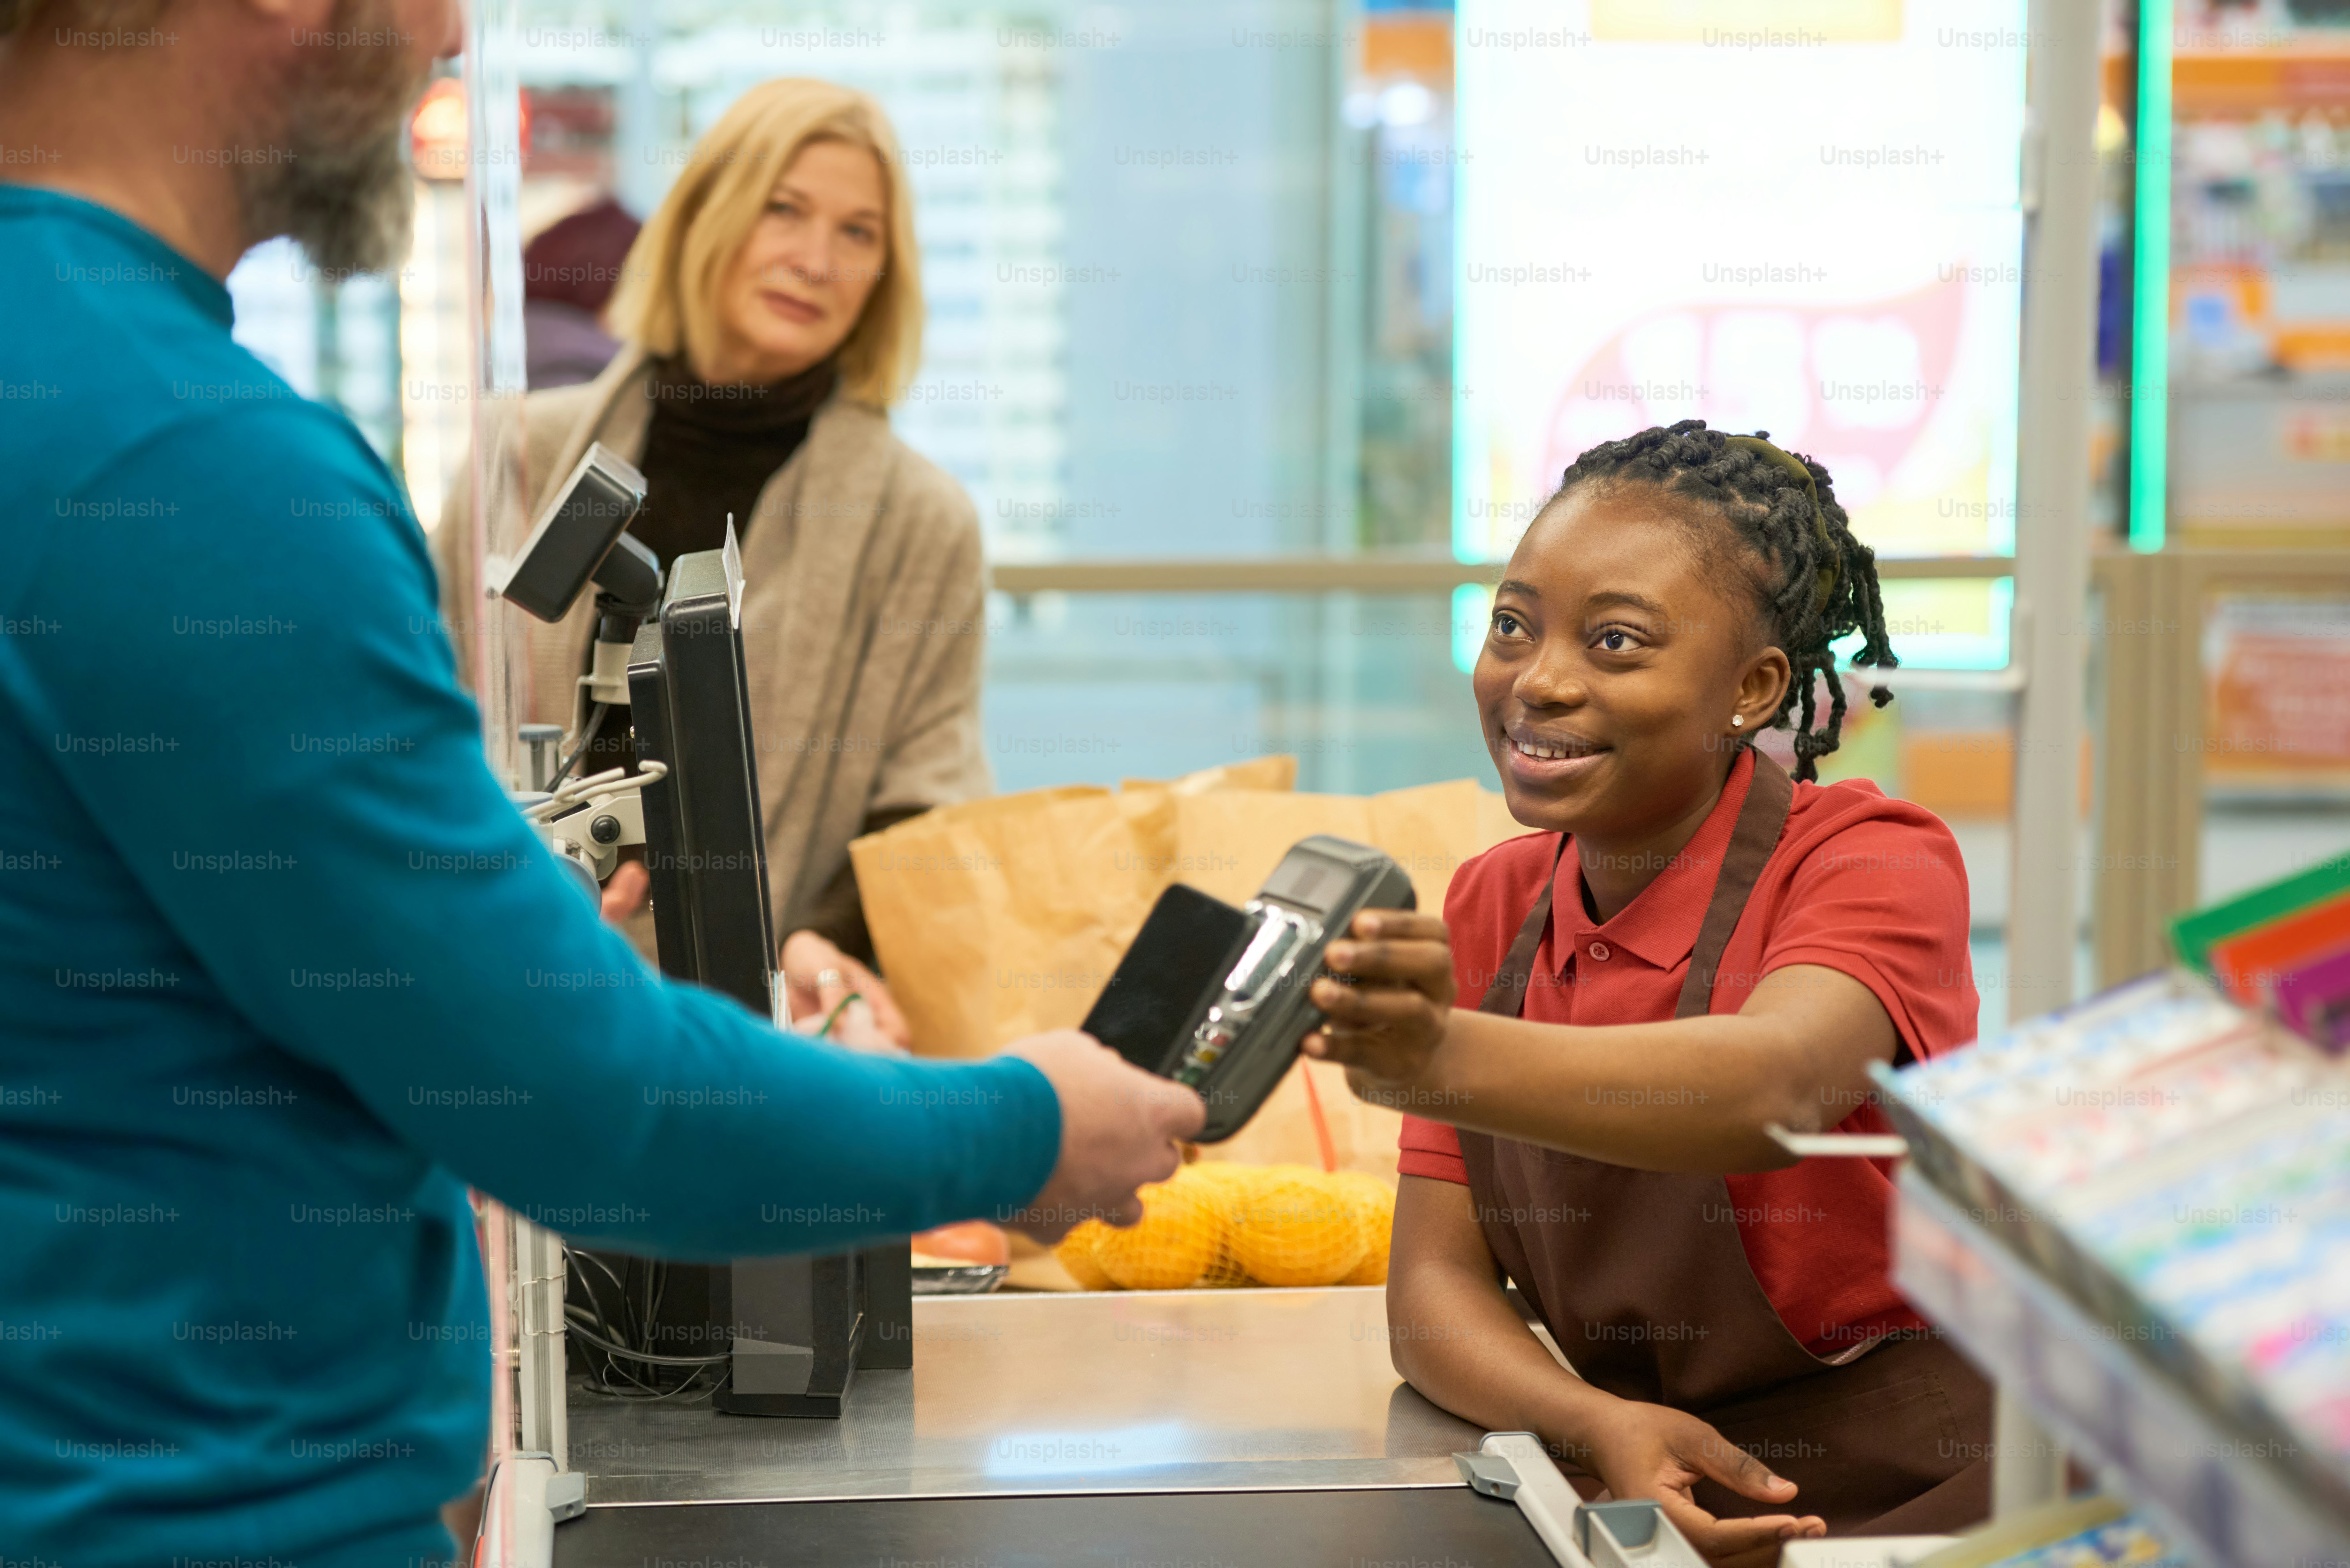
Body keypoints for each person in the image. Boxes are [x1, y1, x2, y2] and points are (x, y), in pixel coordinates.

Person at [0, 4, 1200, 1565]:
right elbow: (588, 1102)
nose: (444, 29)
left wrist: (466, 904)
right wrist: (1028, 1127)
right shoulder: (199, 467)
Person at [1300, 423, 1990, 1565]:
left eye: (1616, 642)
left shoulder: (1873, 861)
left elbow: (1766, 1092)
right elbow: (1431, 1294)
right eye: (1512, 626)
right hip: (1644, 1491)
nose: (1541, 681)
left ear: (1752, 689)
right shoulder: (1492, 908)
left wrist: (1438, 1056)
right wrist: (1598, 1425)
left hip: (1923, 1495)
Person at [436, 78, 971, 1043]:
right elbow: (418, 716)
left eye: (859, 233)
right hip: (507, 994)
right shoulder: (521, 452)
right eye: (785, 209)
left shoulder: (922, 522)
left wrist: (820, 945)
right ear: (707, 218)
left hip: (762, 1036)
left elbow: (923, 809)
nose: (816, 259)